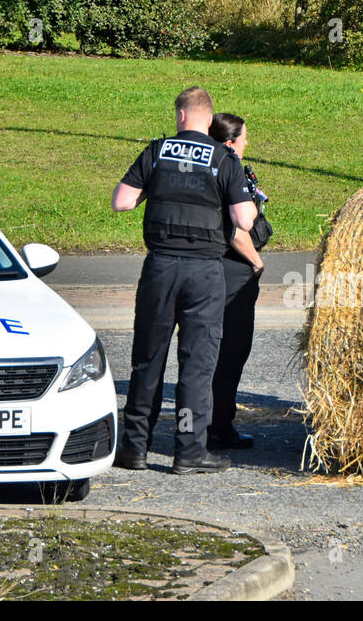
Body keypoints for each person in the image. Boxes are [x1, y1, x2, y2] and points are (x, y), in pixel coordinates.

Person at [110, 86, 258, 475]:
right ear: (208, 120)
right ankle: (188, 452)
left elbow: (122, 201)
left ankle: (135, 448)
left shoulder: (157, 152)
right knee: (196, 364)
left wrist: (152, 192)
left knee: (148, 358)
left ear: (179, 116)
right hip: (205, 274)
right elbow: (245, 220)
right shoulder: (224, 159)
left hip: (160, 268)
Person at [207, 113, 270, 450]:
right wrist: (256, 260)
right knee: (230, 351)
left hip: (214, 270)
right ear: (230, 143)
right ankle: (218, 426)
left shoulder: (210, 166)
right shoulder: (227, 169)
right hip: (232, 270)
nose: (247, 144)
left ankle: (212, 422)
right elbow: (233, 229)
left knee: (213, 351)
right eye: (244, 138)